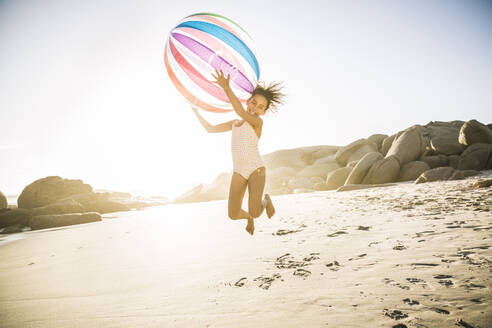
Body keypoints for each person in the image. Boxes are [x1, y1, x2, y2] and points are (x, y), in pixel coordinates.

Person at [192, 70, 285, 235]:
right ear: (248, 101)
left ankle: (266, 200)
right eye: (253, 102)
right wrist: (196, 112)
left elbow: (241, 112)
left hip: (256, 169)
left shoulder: (258, 123)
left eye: (261, 107)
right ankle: (248, 218)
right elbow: (210, 129)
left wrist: (226, 87)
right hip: (239, 171)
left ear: (264, 112)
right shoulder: (234, 123)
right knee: (233, 214)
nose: (255, 108)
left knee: (256, 211)